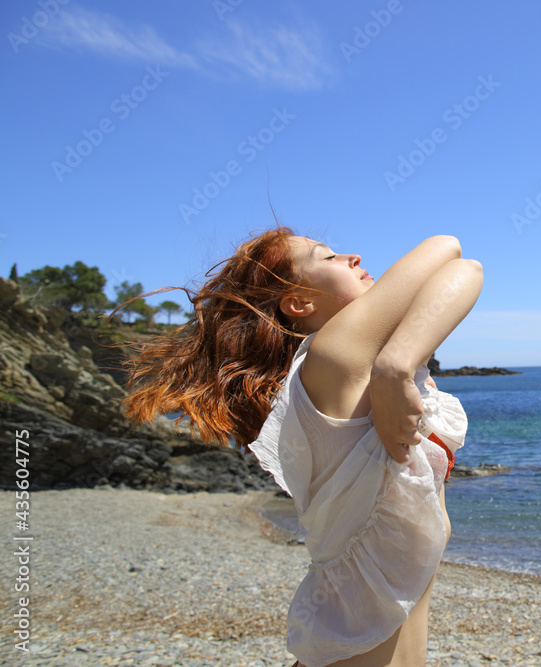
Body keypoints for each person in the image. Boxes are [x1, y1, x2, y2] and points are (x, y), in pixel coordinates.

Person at [122, 227, 483, 666]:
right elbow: (452, 251)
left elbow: (459, 268)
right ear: (299, 303)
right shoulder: (332, 357)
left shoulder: (361, 375)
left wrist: (397, 364)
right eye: (328, 258)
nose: (353, 256)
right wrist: (396, 367)